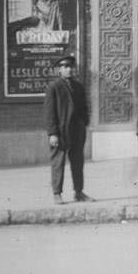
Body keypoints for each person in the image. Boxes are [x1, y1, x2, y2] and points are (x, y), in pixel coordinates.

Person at [43, 54, 90, 204]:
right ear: (59, 70)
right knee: (58, 163)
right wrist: (53, 133)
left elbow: (84, 107)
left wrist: (84, 124)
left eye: (71, 67)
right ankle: (57, 193)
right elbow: (49, 112)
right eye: (65, 67)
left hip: (77, 131)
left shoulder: (79, 86)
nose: (69, 70)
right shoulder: (54, 87)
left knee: (78, 162)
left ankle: (79, 192)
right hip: (61, 132)